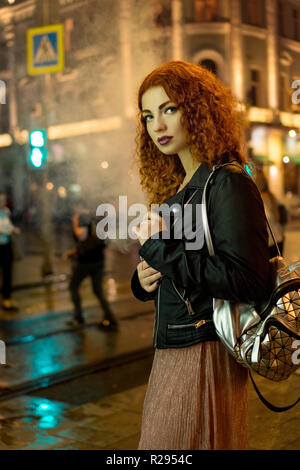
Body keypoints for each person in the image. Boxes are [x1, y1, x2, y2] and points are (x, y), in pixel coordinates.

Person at [130, 61, 270, 450]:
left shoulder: (227, 183)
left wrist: (159, 248)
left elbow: (248, 278)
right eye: (148, 115)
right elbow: (181, 270)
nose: (157, 124)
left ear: (197, 110)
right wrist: (142, 280)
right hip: (175, 348)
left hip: (206, 351)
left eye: (169, 109)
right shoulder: (182, 189)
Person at [63, 200, 118, 329]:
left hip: (86, 262)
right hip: (99, 260)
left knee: (73, 286)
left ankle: (78, 317)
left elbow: (81, 236)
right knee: (98, 291)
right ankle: (110, 317)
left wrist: (75, 221)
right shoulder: (98, 218)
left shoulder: (82, 217)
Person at [255, 171, 285, 258]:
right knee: (279, 269)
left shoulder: (260, 198)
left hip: (269, 241)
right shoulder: (272, 196)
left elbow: (266, 218)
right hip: (279, 238)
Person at [0, 191, 20, 311]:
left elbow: (8, 225)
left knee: (7, 274)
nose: (2, 202)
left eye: (3, 200)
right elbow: (2, 229)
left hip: (6, 246)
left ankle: (6, 300)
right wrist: (11, 230)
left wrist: (13, 228)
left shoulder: (6, 211)